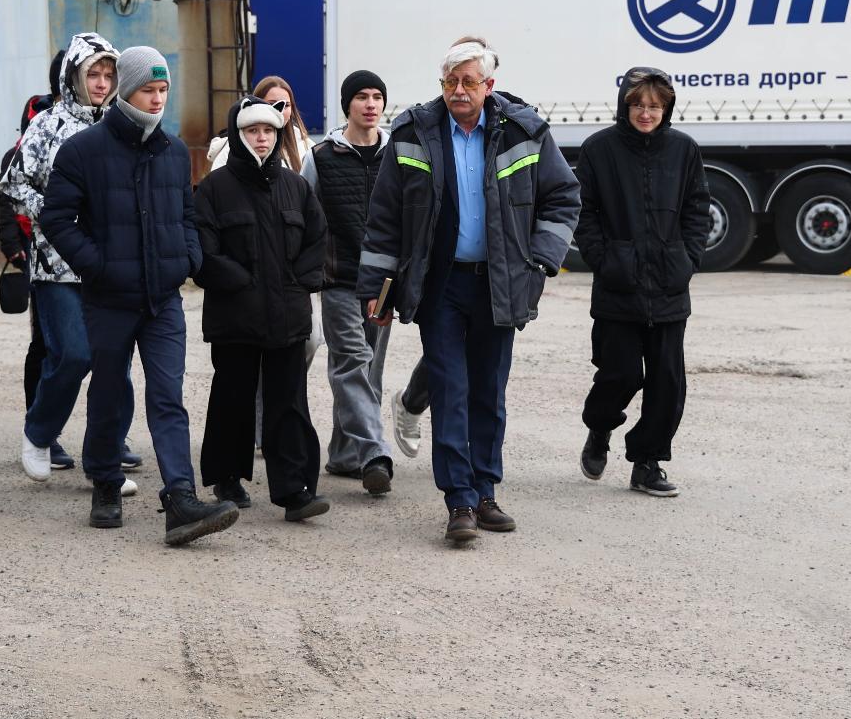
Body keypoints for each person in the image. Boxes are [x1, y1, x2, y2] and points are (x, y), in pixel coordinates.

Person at [357, 37, 580, 544]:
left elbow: (564, 196)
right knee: (450, 391)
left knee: (488, 393)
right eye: (450, 82)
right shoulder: (414, 132)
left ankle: (485, 492)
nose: (459, 91)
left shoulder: (524, 130)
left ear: (489, 85)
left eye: (469, 82)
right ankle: (458, 499)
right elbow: (385, 216)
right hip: (440, 285)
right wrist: (376, 287)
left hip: (500, 283)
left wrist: (541, 260)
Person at [39, 46, 239, 545]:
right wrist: (99, 266)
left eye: (163, 89)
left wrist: (188, 257)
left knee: (169, 397)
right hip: (109, 298)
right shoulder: (83, 150)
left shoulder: (173, 152)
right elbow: (57, 218)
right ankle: (105, 483)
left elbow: (186, 213)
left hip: (163, 299)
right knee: (109, 392)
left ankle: (180, 498)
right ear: (126, 92)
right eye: (148, 89)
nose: (157, 99)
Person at [2, 34, 140, 489]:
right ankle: (40, 433)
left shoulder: (123, 123)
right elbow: (14, 182)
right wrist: (51, 212)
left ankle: (107, 456)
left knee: (116, 363)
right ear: (73, 77)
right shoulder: (47, 124)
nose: (101, 83)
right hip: (57, 263)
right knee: (75, 354)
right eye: (92, 74)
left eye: (108, 75)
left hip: (110, 263)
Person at [574, 68, 712, 497]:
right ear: (624, 106)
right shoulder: (599, 149)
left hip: (669, 286)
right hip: (618, 286)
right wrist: (604, 259)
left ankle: (647, 463)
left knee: (668, 382)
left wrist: (687, 259)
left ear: (666, 108)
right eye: (637, 104)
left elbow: (697, 208)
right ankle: (599, 429)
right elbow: (583, 211)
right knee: (620, 373)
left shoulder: (684, 149)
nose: (645, 113)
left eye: (654, 106)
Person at [197, 95, 330, 521]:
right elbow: (203, 251)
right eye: (253, 130)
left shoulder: (296, 186)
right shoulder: (214, 189)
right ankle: (227, 477)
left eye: (269, 130)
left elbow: (317, 239)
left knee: (288, 402)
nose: (261, 138)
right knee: (232, 398)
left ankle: (294, 490)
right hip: (235, 316)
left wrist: (298, 281)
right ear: (238, 135)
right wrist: (241, 282)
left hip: (288, 314)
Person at [301, 69, 396, 494]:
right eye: (362, 96)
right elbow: (303, 214)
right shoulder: (320, 156)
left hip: (384, 283)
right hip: (338, 279)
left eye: (377, 96)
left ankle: (343, 454)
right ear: (347, 105)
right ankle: (374, 452)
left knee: (368, 372)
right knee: (352, 362)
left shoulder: (397, 155)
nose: (370, 104)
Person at [0, 71, 63, 464]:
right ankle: (43, 433)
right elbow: (9, 204)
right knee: (45, 345)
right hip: (36, 256)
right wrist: (13, 247)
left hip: (74, 257)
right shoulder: (19, 152)